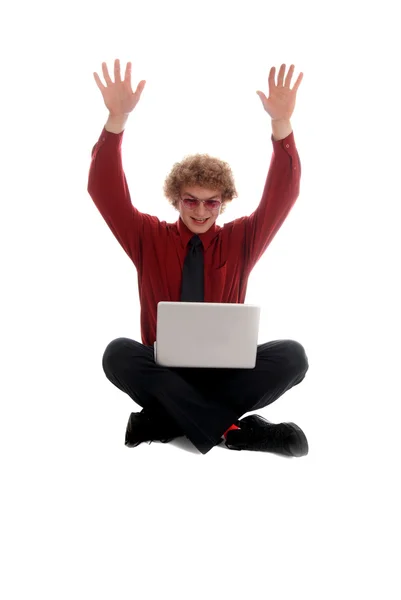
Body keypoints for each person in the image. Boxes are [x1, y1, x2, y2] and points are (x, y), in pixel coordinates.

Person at [88, 58, 309, 457]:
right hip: (165, 371)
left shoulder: (241, 241)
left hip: (225, 375)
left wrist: (281, 126)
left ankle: (165, 419)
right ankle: (233, 432)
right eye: (190, 200)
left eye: (212, 202)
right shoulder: (146, 236)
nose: (201, 210)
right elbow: (104, 191)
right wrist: (116, 119)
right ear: (176, 199)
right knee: (117, 353)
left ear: (224, 204)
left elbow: (283, 194)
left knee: (293, 355)